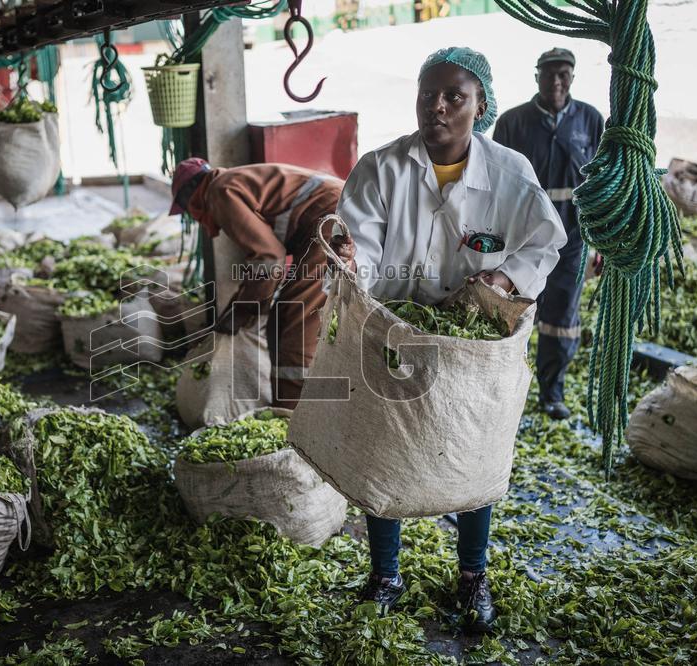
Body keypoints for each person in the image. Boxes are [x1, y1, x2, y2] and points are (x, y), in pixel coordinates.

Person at [331, 47, 567, 630]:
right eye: (426, 95)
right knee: (386, 447)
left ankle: (472, 577)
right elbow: (359, 244)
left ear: (480, 103)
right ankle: (385, 573)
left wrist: (505, 276)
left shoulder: (510, 174)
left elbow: (545, 240)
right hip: (397, 330)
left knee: (473, 450)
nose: (436, 107)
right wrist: (348, 262)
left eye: (453, 97)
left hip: (474, 342)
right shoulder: (381, 168)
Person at [169, 159, 344, 408]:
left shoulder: (218, 192)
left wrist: (242, 310)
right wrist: (246, 305)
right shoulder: (231, 181)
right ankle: (292, 405)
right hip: (330, 218)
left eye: (187, 210)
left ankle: (292, 418)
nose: (193, 216)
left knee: (295, 321)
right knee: (278, 319)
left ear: (191, 198)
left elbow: (269, 258)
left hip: (330, 223)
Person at [492, 47, 605, 420]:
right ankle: (504, 390)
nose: (557, 81)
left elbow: (604, 183)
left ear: (572, 77)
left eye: (564, 74)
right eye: (549, 73)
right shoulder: (513, 123)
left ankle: (551, 393)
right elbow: (494, 184)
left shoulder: (590, 120)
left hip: (573, 239)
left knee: (561, 320)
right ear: (537, 75)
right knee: (510, 312)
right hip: (522, 239)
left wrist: (601, 240)